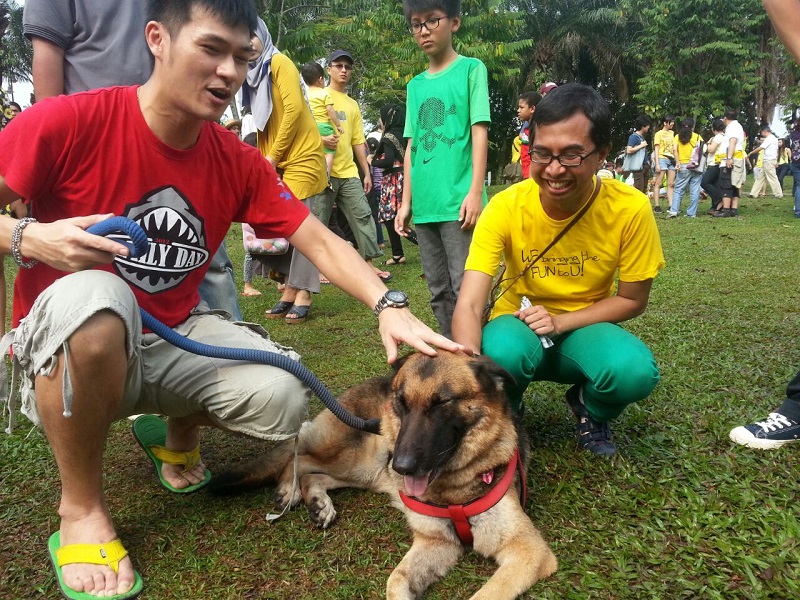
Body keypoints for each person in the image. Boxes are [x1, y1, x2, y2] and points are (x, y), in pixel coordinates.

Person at [0, 2, 461, 598]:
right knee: (96, 295)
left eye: (243, 59)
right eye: (211, 49)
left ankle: (175, 430)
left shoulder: (233, 160)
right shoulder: (66, 121)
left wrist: (387, 302)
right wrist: (27, 236)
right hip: (68, 345)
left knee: (283, 396)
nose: (229, 73)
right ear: (157, 39)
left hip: (172, 335)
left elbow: (317, 238)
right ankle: (81, 509)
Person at [452, 83, 664, 458]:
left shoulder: (630, 208)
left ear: (602, 154)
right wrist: (472, 380)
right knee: (498, 351)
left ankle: (590, 408)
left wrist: (560, 322)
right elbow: (469, 304)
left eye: (571, 156)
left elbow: (632, 300)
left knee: (633, 371)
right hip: (516, 328)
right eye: (542, 154)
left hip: (584, 329)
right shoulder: (505, 206)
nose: (553, 170)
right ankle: (505, 407)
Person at [23, 0, 243, 321]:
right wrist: (51, 146)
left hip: (177, 143)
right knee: (98, 279)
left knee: (204, 262)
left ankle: (228, 351)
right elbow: (47, 56)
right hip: (96, 150)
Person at [396, 0, 491, 339]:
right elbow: (413, 146)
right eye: (416, 24)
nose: (423, 31)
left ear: (454, 22)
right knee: (438, 291)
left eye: (432, 21)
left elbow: (479, 132)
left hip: (458, 202)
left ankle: (478, 362)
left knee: (467, 286)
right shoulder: (415, 86)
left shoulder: (471, 69)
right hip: (425, 205)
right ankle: (455, 359)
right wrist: (407, 202)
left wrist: (474, 193)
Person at [244, 20, 329, 324]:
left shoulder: (279, 62)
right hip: (278, 159)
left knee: (299, 224)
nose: (248, 40)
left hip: (301, 154)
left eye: (252, 33)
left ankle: (304, 292)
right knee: (285, 224)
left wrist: (272, 157)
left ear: (263, 35)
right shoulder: (251, 75)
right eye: (242, 35)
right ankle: (289, 290)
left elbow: (293, 110)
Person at [317, 49, 391, 281]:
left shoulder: (352, 104)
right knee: (317, 221)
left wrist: (366, 172)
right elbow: (304, 131)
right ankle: (318, 269)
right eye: (338, 66)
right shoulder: (318, 96)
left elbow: (358, 140)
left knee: (363, 215)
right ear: (328, 69)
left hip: (349, 171)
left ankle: (368, 263)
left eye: (347, 67)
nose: (343, 70)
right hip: (322, 171)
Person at [372, 104, 409, 265]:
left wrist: (372, 161)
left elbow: (387, 161)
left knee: (390, 217)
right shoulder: (407, 134)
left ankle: (398, 253)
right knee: (405, 216)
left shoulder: (388, 138)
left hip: (394, 180)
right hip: (407, 176)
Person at [300, 61, 344, 182]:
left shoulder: (305, 95)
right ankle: (326, 177)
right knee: (330, 152)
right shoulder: (324, 93)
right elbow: (330, 110)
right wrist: (338, 125)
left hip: (311, 128)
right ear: (320, 79)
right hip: (324, 126)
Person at [711, 108, 746, 218]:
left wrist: (729, 158)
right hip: (737, 158)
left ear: (725, 118)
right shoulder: (737, 126)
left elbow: (732, 142)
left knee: (726, 184)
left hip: (731, 159)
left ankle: (726, 209)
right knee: (735, 184)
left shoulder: (732, 128)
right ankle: (733, 209)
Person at [668, 118, 703, 218]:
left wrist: (677, 162)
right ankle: (691, 213)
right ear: (692, 126)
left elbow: (674, 149)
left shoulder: (677, 136)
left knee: (678, 189)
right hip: (695, 166)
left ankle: (674, 211)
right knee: (695, 190)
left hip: (683, 165)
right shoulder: (697, 137)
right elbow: (702, 149)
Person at [747, 125, 783, 198]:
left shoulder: (769, 138)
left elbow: (761, 147)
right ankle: (753, 193)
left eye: (762, 132)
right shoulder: (774, 138)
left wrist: (751, 153)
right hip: (769, 159)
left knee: (772, 177)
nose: (761, 134)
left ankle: (778, 194)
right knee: (760, 177)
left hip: (768, 160)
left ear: (765, 131)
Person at [623, 114, 652, 198]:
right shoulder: (633, 137)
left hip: (644, 166)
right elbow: (629, 150)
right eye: (647, 126)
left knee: (644, 189)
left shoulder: (641, 137)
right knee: (639, 189)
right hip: (638, 168)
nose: (648, 128)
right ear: (643, 126)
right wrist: (641, 146)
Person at [701, 119, 727, 213]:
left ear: (713, 129)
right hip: (720, 163)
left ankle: (719, 199)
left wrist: (708, 143)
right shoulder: (725, 137)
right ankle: (715, 206)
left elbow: (711, 149)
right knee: (715, 184)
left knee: (704, 183)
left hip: (714, 163)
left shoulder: (717, 137)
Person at [652, 115, 676, 214]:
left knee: (670, 184)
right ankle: (657, 205)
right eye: (671, 122)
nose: (673, 124)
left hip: (671, 159)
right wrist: (657, 163)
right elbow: (656, 149)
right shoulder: (658, 134)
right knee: (658, 183)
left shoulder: (672, 133)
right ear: (665, 123)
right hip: (662, 158)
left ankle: (671, 205)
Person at [517, 90, 541, 180]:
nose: (518, 110)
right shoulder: (527, 129)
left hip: (533, 178)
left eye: (521, 107)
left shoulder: (538, 130)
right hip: (526, 176)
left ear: (532, 109)